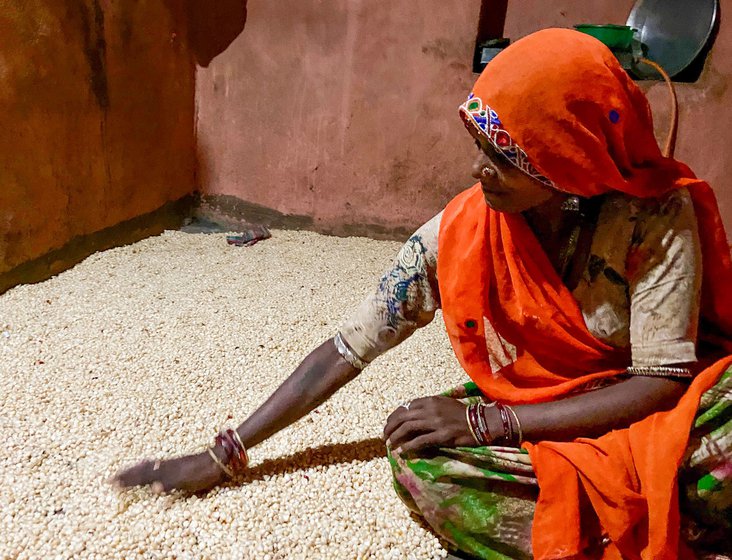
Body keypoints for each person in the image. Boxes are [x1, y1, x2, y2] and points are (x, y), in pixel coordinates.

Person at [113, 29, 731, 559]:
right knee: (423, 460)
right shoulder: (462, 232)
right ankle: (654, 516)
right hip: (548, 405)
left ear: (567, 158)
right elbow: (347, 347)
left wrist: (495, 422)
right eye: (478, 148)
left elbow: (661, 381)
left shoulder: (654, 217)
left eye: (503, 156)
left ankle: (625, 517)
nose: (477, 170)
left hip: (653, 410)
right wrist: (226, 452)